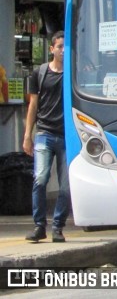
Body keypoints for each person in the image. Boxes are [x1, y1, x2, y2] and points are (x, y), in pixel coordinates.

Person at [22, 31, 70, 243]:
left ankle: (58, 226)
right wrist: (27, 135)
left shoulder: (72, 73)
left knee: (66, 186)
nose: (62, 50)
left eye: (65, 47)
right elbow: (33, 105)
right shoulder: (40, 73)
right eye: (59, 46)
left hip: (68, 136)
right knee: (40, 178)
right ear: (51, 49)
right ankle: (39, 225)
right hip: (44, 133)